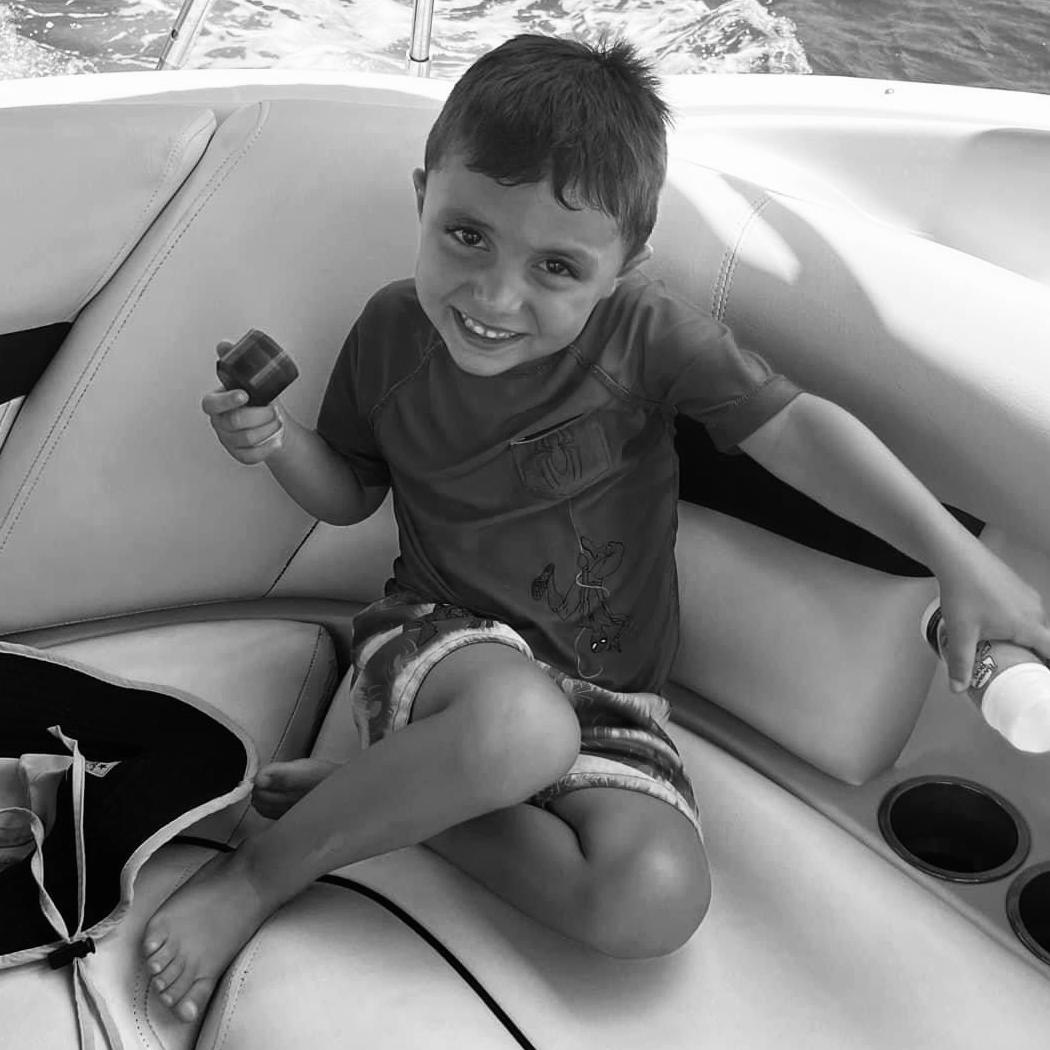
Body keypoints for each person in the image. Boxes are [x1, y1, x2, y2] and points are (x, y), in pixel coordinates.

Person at [143, 34, 1050, 1024]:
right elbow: (351, 491)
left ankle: (385, 795)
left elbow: (797, 431)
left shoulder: (647, 335)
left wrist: (956, 557)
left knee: (654, 902)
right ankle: (262, 870)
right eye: (467, 235)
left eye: (557, 266)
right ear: (423, 197)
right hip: (440, 642)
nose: (495, 296)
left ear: (625, 268)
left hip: (613, 703)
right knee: (519, 727)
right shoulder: (392, 333)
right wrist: (278, 442)